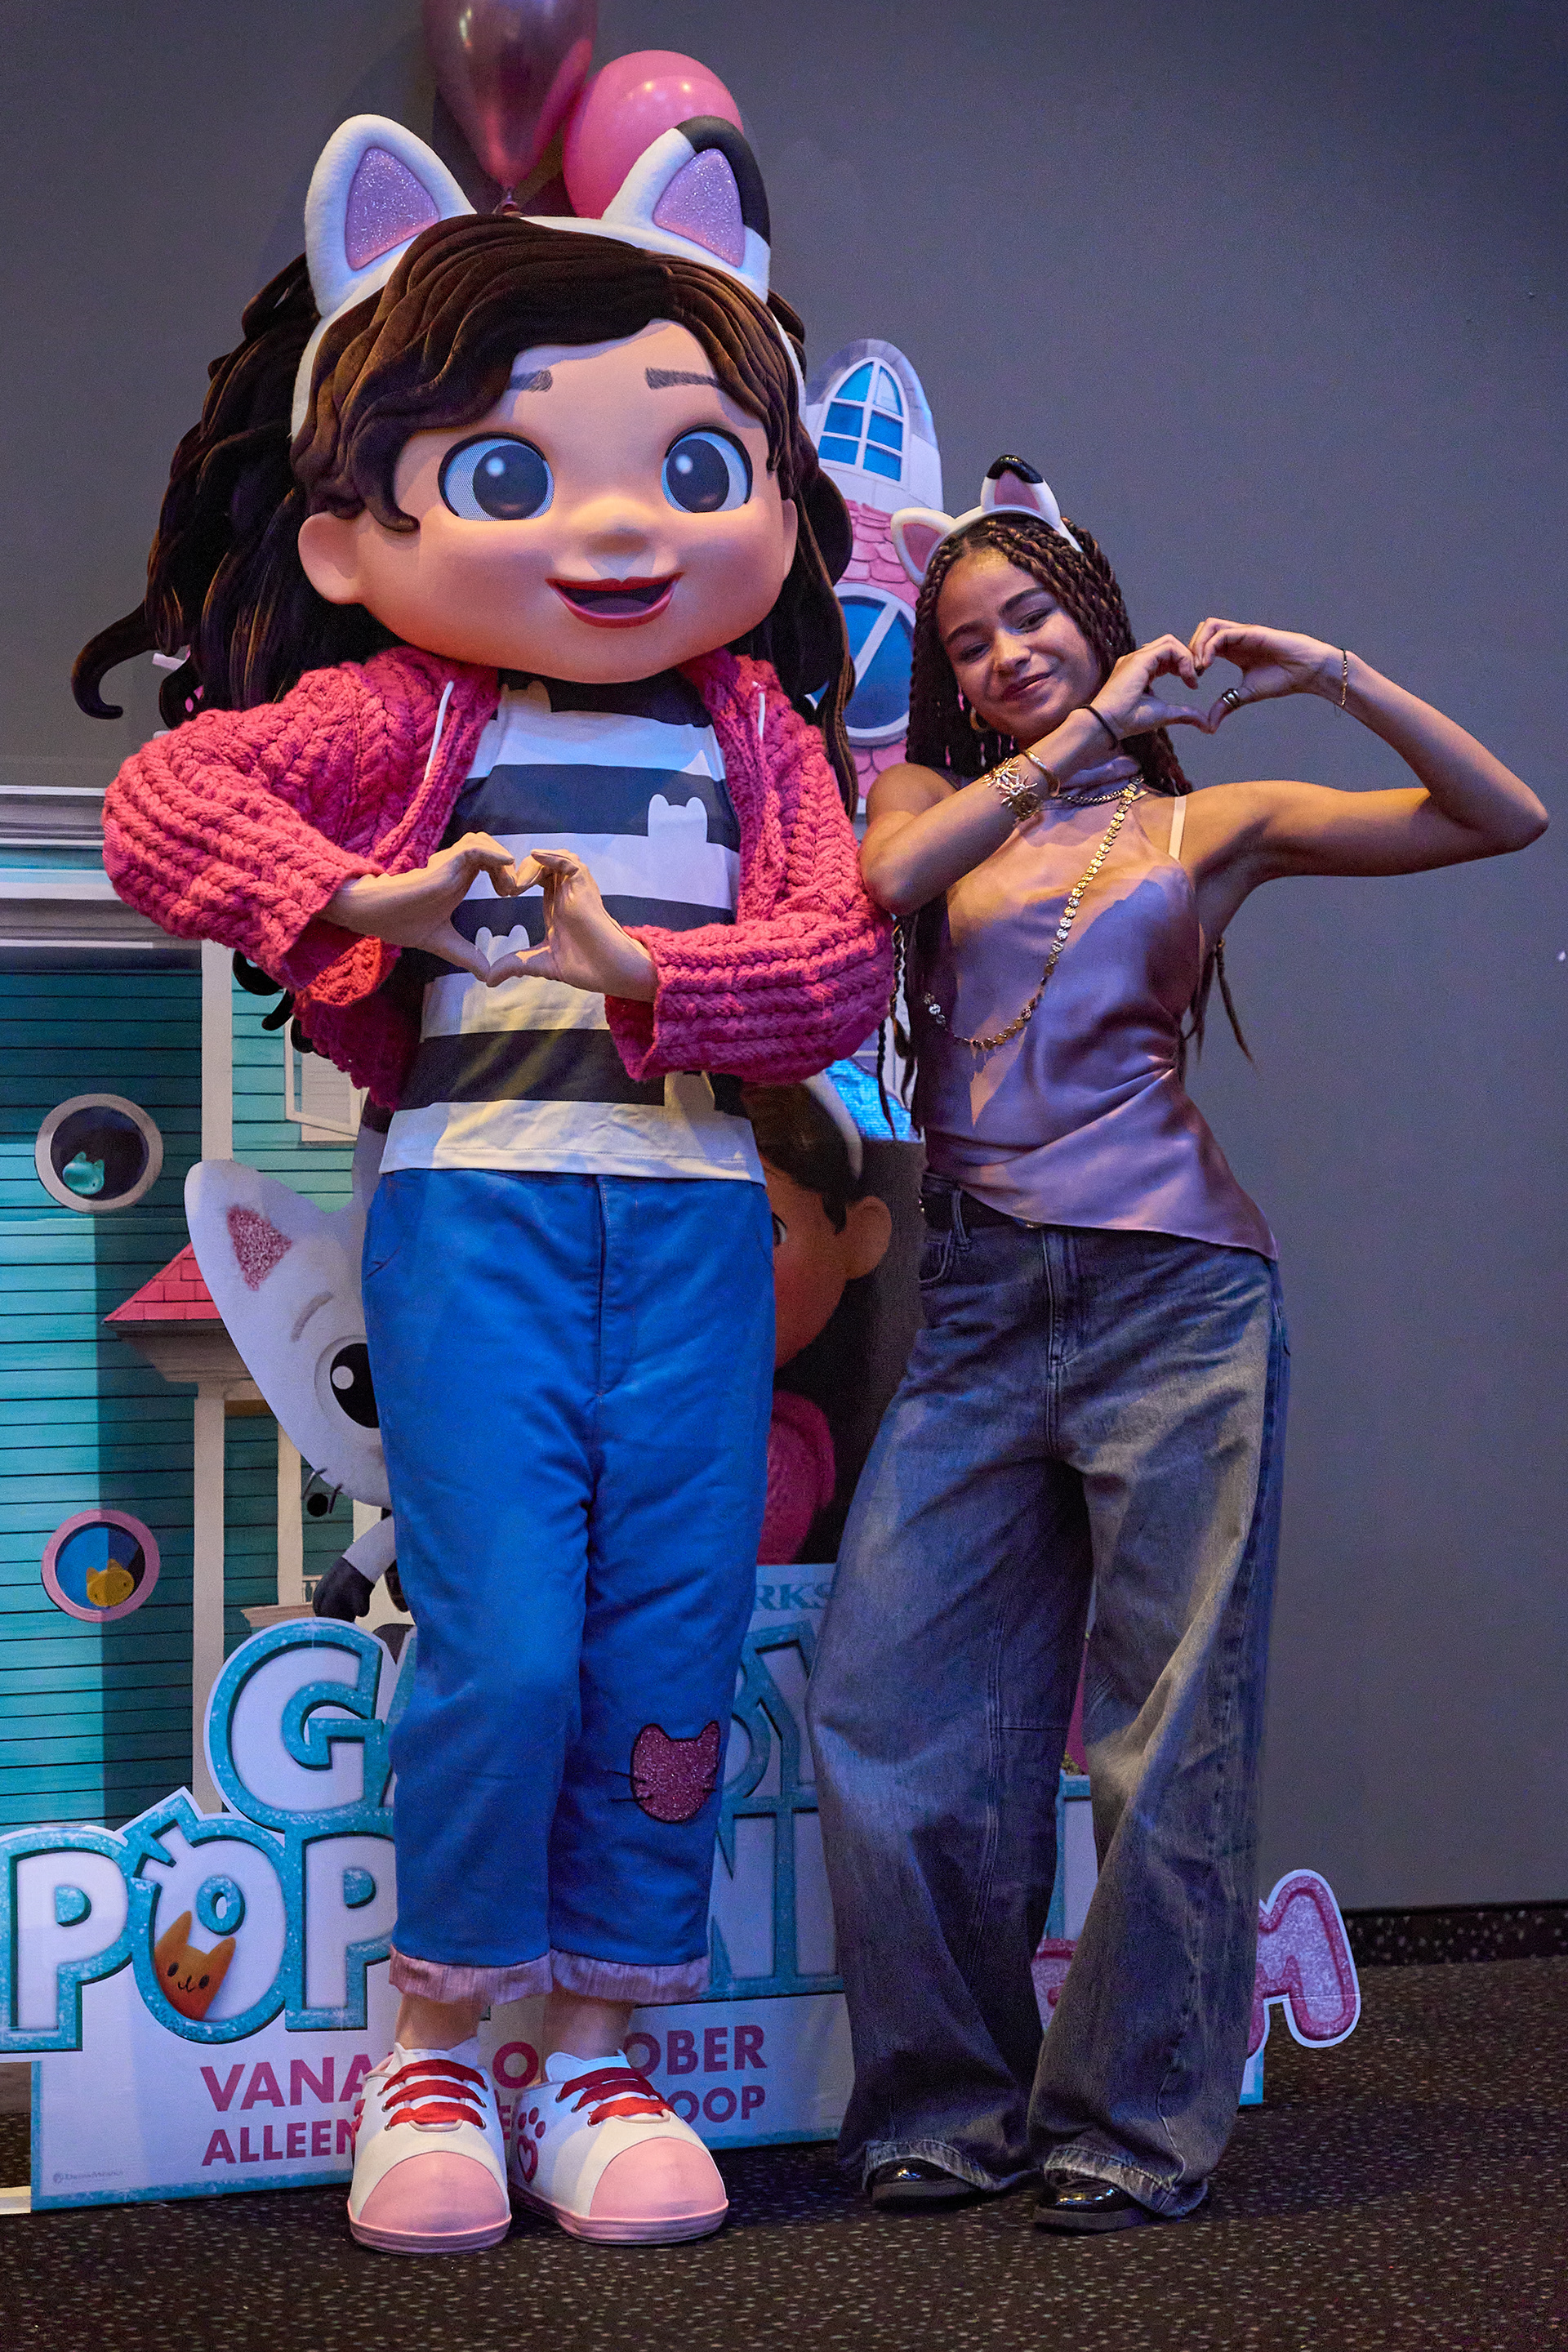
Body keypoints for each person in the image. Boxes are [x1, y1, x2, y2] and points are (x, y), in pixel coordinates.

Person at [82, 113, 888, 2253]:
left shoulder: (755, 732)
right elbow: (165, 810)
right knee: (506, 1639)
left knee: (669, 1642)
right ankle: (435, 2036)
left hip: (692, 1216)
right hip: (477, 1211)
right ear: (354, 541)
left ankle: (598, 2043)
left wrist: (648, 971)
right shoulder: (400, 712)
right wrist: (379, 899)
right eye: (513, 475)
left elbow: (839, 968)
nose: (619, 525)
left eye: (692, 464)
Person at [806, 457, 1545, 2233]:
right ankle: (946, 2108)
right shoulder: (926, 798)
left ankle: (1132, 2128)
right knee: (886, 1708)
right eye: (971, 642)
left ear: (1099, 618)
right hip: (980, 1301)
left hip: (1177, 1296)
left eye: (1037, 619)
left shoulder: (1203, 832)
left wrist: (1331, 676)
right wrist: (1087, 734)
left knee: (1168, 1728)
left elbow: (1502, 815)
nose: (1009, 655)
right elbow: (891, 878)